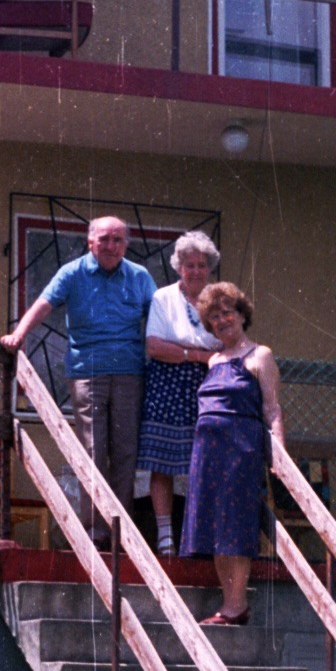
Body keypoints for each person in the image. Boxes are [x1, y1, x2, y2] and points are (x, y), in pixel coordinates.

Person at [0, 216, 156, 547]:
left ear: (126, 244)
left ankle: (121, 534)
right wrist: (19, 335)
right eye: (105, 239)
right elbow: (43, 304)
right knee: (93, 450)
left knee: (126, 452)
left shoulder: (139, 277)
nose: (112, 246)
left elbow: (159, 317)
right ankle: (96, 531)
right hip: (88, 371)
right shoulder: (72, 273)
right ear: (90, 242)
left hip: (129, 372)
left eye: (118, 239)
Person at [180, 282, 285, 625]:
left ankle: (236, 605)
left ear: (242, 314)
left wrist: (279, 456)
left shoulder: (260, 356)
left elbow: (272, 410)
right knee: (213, 527)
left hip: (241, 451)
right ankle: (229, 604)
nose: (221, 320)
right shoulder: (212, 360)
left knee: (235, 526)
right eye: (213, 316)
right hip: (207, 453)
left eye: (227, 312)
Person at [136, 231, 222, 557]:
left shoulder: (218, 301)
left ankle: (197, 536)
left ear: (209, 267)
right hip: (167, 385)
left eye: (201, 265)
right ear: (179, 266)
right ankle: (165, 537)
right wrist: (198, 353)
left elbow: (226, 344)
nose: (196, 271)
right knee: (163, 464)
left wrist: (183, 348)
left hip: (208, 386)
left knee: (203, 463)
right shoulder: (163, 298)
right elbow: (155, 346)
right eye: (189, 265)